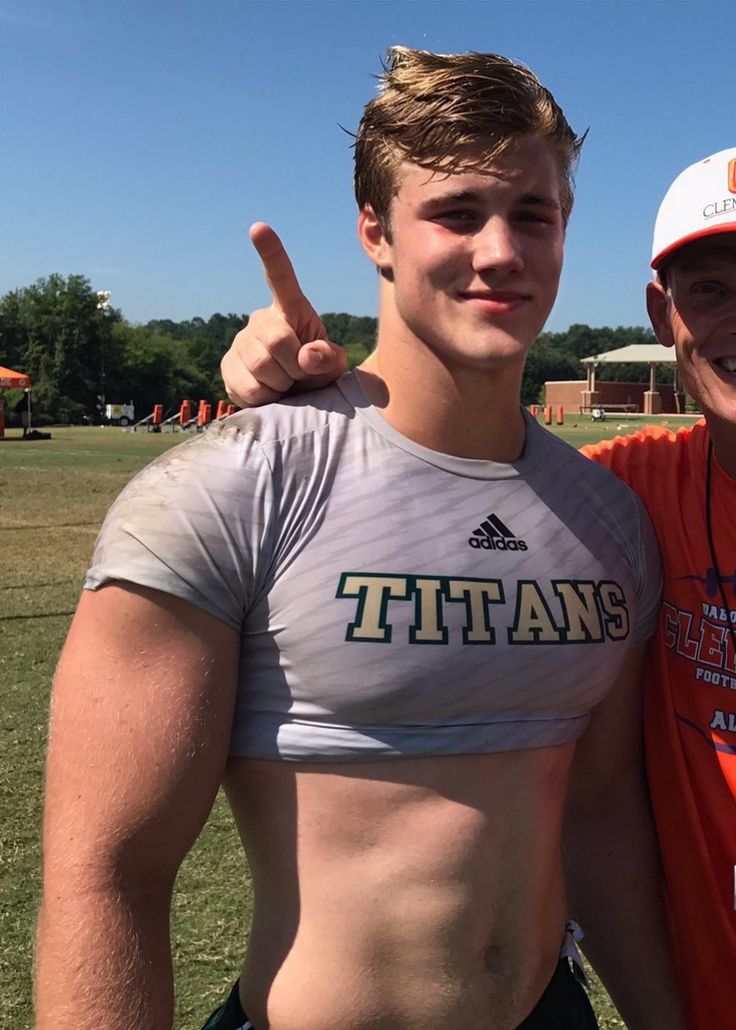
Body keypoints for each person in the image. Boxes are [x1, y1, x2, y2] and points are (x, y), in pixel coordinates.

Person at [36, 48, 683, 1030]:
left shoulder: (606, 519)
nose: (501, 249)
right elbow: (109, 874)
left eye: (532, 214)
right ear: (375, 233)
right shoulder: (231, 485)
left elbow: (596, 813)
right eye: (457, 212)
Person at [222, 136, 736, 1027]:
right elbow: (451, 467)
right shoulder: (615, 502)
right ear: (664, 314)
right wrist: (304, 395)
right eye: (714, 290)